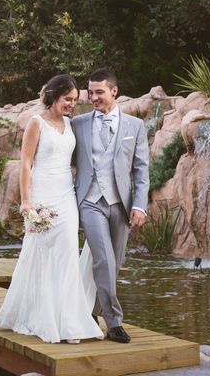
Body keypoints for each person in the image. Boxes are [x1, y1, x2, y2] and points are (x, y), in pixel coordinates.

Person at [0, 74, 104, 344]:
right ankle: (42, 318)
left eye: (75, 100)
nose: (72, 105)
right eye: (68, 99)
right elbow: (26, 163)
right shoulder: (36, 123)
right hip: (42, 194)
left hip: (66, 194)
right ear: (54, 95)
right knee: (42, 254)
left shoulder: (70, 124)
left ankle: (68, 322)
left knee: (67, 253)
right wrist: (26, 200)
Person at [72, 68, 149, 343]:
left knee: (115, 263)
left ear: (114, 91)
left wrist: (140, 206)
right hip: (90, 202)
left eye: (99, 92)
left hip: (121, 204)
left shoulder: (135, 126)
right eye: (90, 92)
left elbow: (141, 170)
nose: (93, 97)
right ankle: (114, 323)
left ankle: (90, 312)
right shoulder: (78, 124)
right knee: (103, 258)